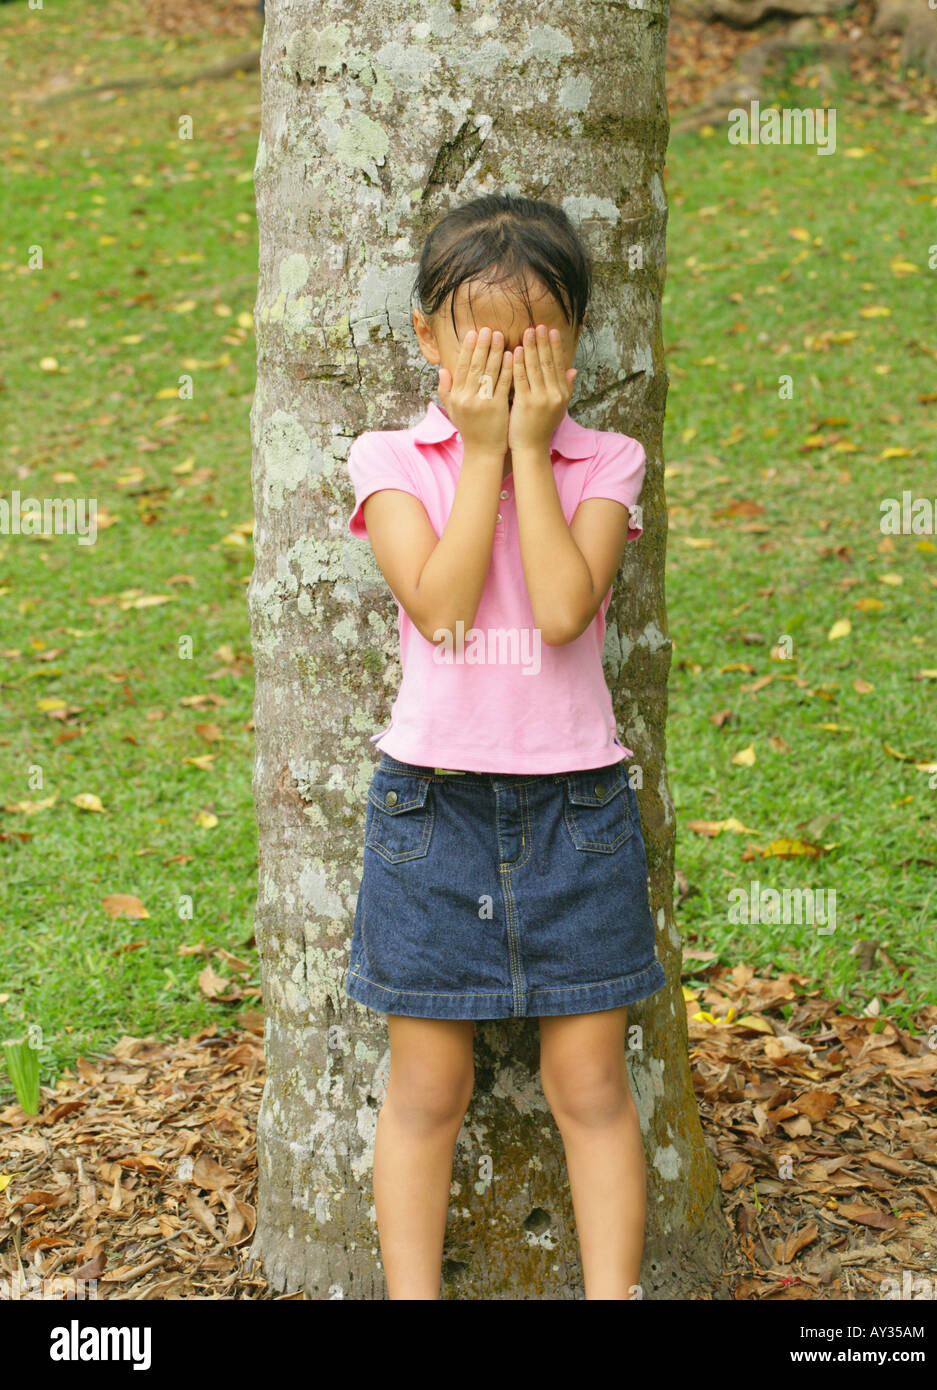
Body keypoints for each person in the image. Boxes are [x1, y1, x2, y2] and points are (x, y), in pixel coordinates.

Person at [344, 193, 666, 1299]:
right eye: (483, 344)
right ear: (429, 340)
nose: (511, 368)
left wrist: (529, 450)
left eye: (535, 344)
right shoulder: (390, 458)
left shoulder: (605, 460)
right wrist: (481, 450)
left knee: (590, 1083)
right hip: (432, 814)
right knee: (427, 1089)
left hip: (579, 812)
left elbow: (567, 606)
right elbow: (440, 604)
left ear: (577, 341)